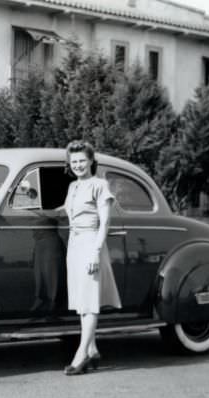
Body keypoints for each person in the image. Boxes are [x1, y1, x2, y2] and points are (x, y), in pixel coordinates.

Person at [62, 140, 122, 375]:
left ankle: (81, 355)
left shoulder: (100, 185)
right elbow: (69, 212)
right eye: (74, 161)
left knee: (89, 303)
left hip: (90, 244)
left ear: (90, 161)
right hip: (75, 245)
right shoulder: (73, 187)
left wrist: (96, 252)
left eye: (81, 161)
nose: (77, 165)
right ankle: (93, 348)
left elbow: (105, 221)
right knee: (81, 301)